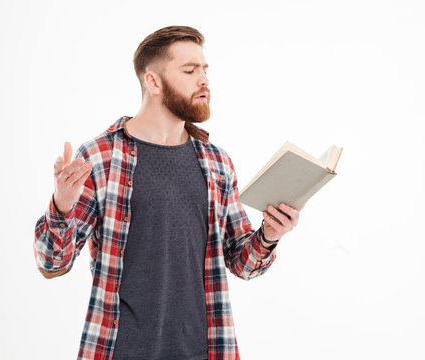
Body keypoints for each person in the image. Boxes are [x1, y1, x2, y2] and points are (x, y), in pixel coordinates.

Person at [33, 25, 304, 360]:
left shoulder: (218, 163)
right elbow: (51, 261)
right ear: (154, 82)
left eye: (205, 69)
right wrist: (61, 205)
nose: (204, 79)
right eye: (190, 71)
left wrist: (270, 234)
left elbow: (242, 263)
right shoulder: (101, 158)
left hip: (204, 351)